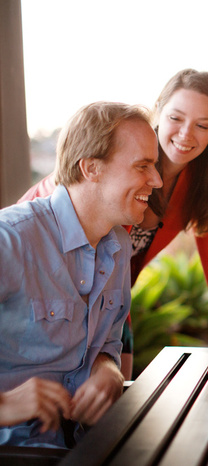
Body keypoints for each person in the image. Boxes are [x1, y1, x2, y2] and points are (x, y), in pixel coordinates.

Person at [19, 69, 208, 378]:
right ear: (158, 110)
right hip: (52, 286)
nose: (187, 134)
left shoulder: (199, 185)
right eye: (176, 118)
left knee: (115, 402)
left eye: (202, 125)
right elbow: (65, 194)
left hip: (113, 298)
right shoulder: (121, 159)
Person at [1, 102, 162, 447]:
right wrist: (4, 405)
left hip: (86, 445)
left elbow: (106, 344)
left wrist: (108, 370)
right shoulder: (10, 240)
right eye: (143, 166)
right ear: (91, 168)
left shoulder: (118, 243)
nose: (158, 180)